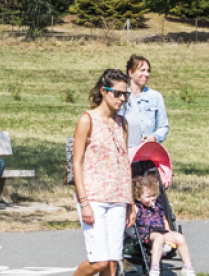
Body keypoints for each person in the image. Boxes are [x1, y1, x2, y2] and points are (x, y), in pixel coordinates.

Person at [71, 69, 135, 276]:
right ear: (103, 91)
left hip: (117, 198)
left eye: (125, 94)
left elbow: (125, 164)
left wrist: (130, 202)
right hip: (94, 198)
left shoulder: (122, 124)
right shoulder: (87, 120)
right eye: (117, 93)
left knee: (112, 263)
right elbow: (77, 163)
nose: (122, 98)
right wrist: (84, 201)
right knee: (99, 261)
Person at [132, 175, 195, 276]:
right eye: (148, 196)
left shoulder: (158, 205)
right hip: (147, 234)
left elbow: (164, 219)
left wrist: (169, 230)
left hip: (162, 231)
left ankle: (188, 267)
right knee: (159, 238)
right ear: (138, 197)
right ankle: (155, 268)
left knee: (180, 238)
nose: (152, 198)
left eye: (154, 195)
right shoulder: (137, 207)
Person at [121, 55, 168, 149]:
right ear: (131, 73)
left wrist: (154, 137)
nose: (146, 74)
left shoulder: (155, 97)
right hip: (125, 154)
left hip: (146, 155)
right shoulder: (120, 96)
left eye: (148, 71)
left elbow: (163, 127)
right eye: (142, 70)